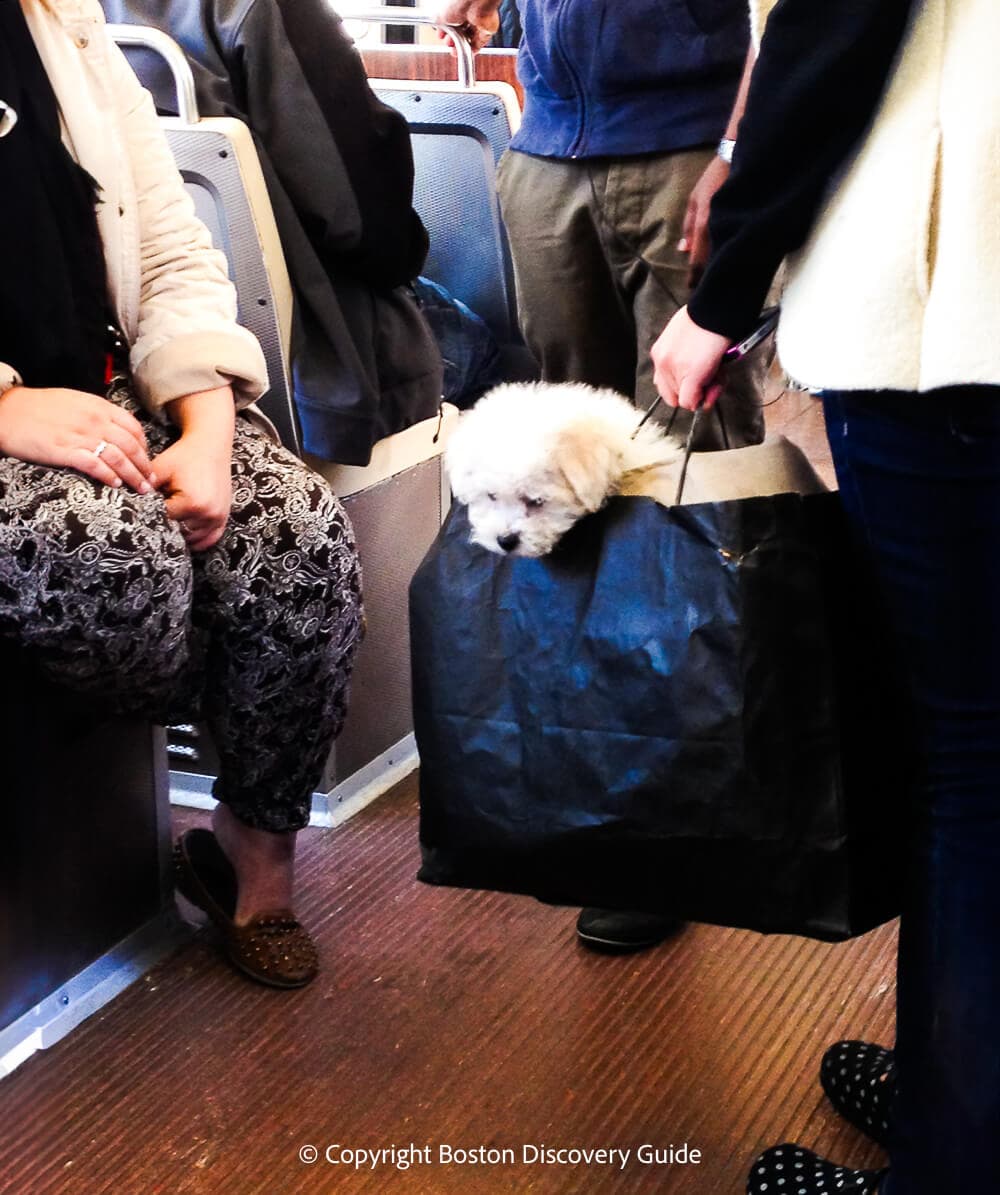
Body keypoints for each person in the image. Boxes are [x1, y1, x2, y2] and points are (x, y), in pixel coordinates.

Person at [652, 0, 1000, 1190]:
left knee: (971, 766)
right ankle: (959, 1083)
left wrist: (723, 286)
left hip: (959, 303)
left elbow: (839, 25)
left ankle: (954, 1160)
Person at [0, 0, 364, 990]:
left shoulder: (57, 19)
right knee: (119, 561)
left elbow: (166, 243)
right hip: (15, 411)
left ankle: (253, 863)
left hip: (118, 385)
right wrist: (9, 408)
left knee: (297, 537)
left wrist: (204, 417)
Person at [438, 0, 765, 953]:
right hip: (547, 151)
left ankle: (688, 807)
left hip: (685, 145)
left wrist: (739, 152)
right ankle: (600, 779)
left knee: (687, 480)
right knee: (558, 484)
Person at [102, 0, 443, 467]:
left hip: (142, 340)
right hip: (318, 355)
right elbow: (360, 220)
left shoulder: (62, 23)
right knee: (498, 352)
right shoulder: (268, 11)